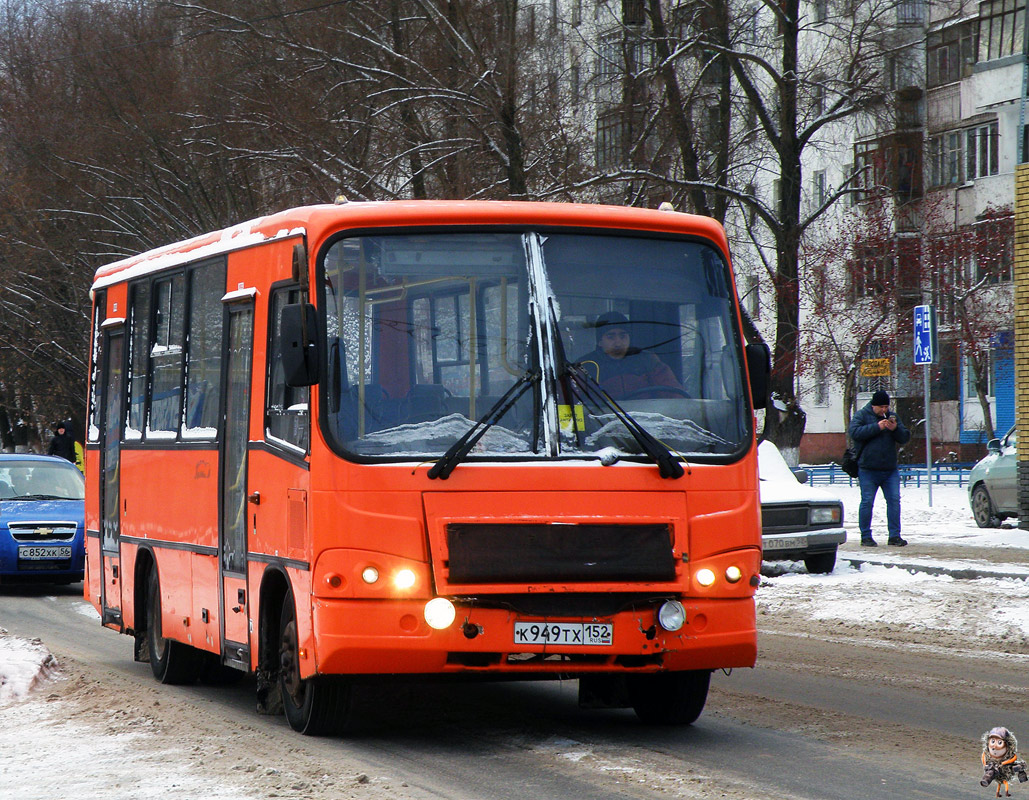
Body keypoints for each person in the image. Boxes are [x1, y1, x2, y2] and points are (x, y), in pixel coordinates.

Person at [847, 390, 910, 547]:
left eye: (886, 407)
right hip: (868, 469)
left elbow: (905, 437)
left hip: (889, 469)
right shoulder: (861, 415)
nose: (884, 410)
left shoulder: (892, 416)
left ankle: (894, 535)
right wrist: (876, 427)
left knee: (894, 501)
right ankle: (866, 535)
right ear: (873, 405)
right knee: (867, 501)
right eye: (881, 407)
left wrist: (895, 429)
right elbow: (854, 433)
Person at [577, 311, 683, 399]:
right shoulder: (585, 366)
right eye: (611, 337)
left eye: (623, 336)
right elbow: (569, 403)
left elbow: (674, 394)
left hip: (645, 422)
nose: (618, 343)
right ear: (599, 341)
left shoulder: (648, 361)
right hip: (602, 422)